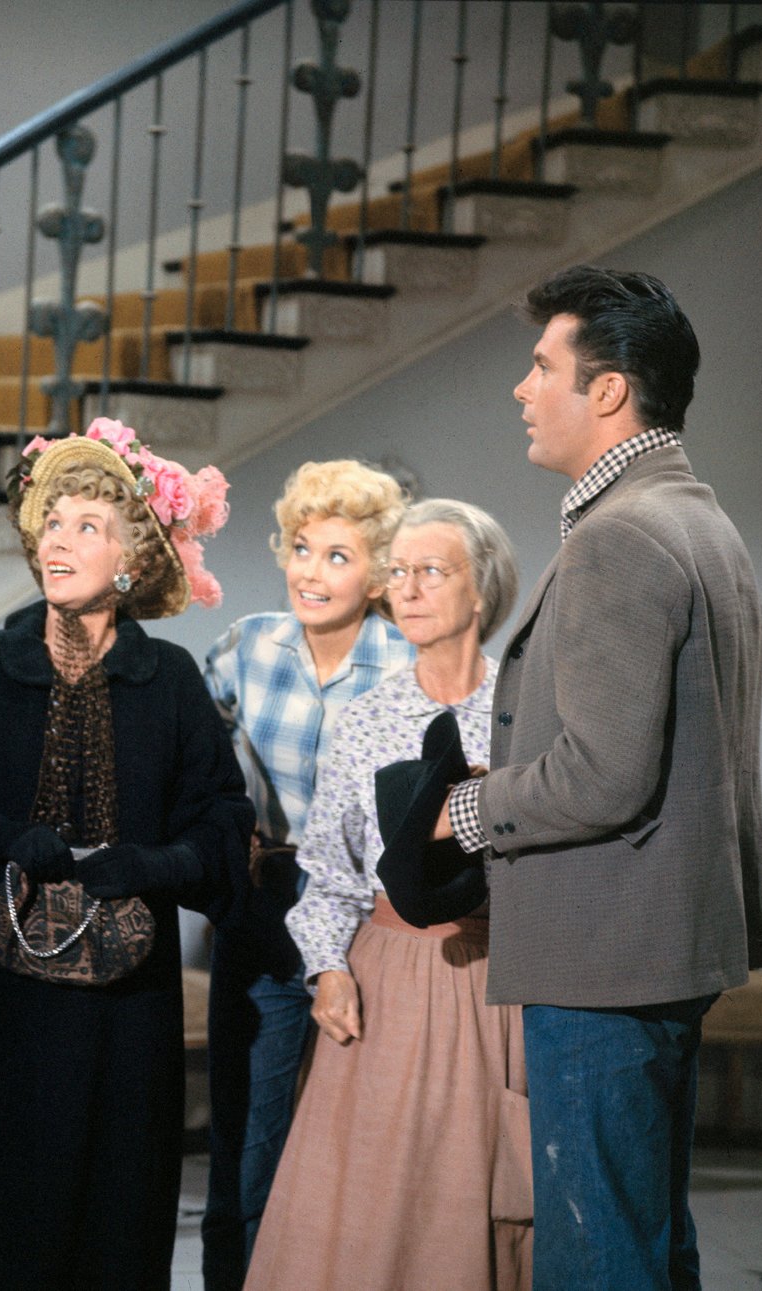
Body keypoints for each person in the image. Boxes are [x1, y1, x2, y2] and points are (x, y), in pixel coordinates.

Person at [439, 265, 762, 1290]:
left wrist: (463, 808)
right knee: (647, 1241)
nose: (522, 387)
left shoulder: (621, 534)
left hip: (605, 955)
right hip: (658, 944)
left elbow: (602, 776)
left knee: (597, 1255)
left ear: (610, 389)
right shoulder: (696, 519)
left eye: (542, 366)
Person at [0, 420, 254, 1290]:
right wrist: (5, 838)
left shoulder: (169, 683)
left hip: (120, 1015)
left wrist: (151, 865)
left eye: (88, 525)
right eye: (52, 522)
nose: (59, 540)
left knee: (106, 1209)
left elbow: (220, 823)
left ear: (131, 560)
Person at [244, 498, 530, 1290]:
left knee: (477, 1198)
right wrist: (328, 969)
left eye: (429, 570)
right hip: (383, 984)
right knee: (361, 1212)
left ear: (481, 590)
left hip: (493, 982)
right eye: (396, 571)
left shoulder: (524, 715)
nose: (406, 588)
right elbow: (329, 876)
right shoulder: (366, 719)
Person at [201, 459, 412, 1290]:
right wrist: (230, 831)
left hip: (375, 922)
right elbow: (195, 764)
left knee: (361, 1145)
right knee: (244, 1146)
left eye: (337, 555)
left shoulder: (409, 663)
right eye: (300, 547)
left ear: (378, 576)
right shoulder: (245, 645)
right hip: (264, 909)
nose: (310, 571)